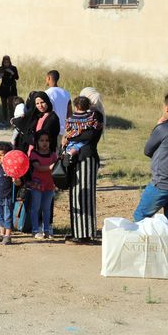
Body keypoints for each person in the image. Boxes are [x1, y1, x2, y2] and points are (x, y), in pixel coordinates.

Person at [132, 92, 168, 233]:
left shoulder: (165, 128)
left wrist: (158, 126)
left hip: (162, 182)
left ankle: (143, 244)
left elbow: (147, 150)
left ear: (167, 108)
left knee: (140, 215)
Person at [64, 87, 106, 242]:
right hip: (78, 159)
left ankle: (85, 233)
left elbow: (90, 136)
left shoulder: (96, 116)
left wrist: (70, 137)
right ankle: (77, 231)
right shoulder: (88, 116)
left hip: (86, 158)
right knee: (75, 194)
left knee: (85, 195)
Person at [27, 131, 58, 239]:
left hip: (49, 184)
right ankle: (35, 230)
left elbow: (57, 168)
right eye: (41, 140)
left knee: (46, 208)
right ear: (37, 142)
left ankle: (47, 230)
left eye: (47, 140)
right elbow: (38, 167)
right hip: (37, 184)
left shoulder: (53, 154)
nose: (44, 143)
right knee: (35, 207)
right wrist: (51, 167)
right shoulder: (34, 154)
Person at [0, 142, 15, 245]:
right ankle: (1, 234)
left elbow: (17, 182)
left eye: (2, 155)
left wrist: (16, 180)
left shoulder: (10, 168)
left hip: (7, 196)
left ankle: (8, 236)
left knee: (7, 216)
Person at [0, 56, 19, 122]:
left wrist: (12, 72)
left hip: (11, 88)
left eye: (7, 62)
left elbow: (17, 77)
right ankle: (4, 120)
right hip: (3, 88)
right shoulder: (1, 68)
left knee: (11, 105)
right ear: (3, 62)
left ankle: (12, 120)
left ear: (9, 62)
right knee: (4, 105)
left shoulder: (13, 68)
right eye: (5, 62)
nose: (6, 64)